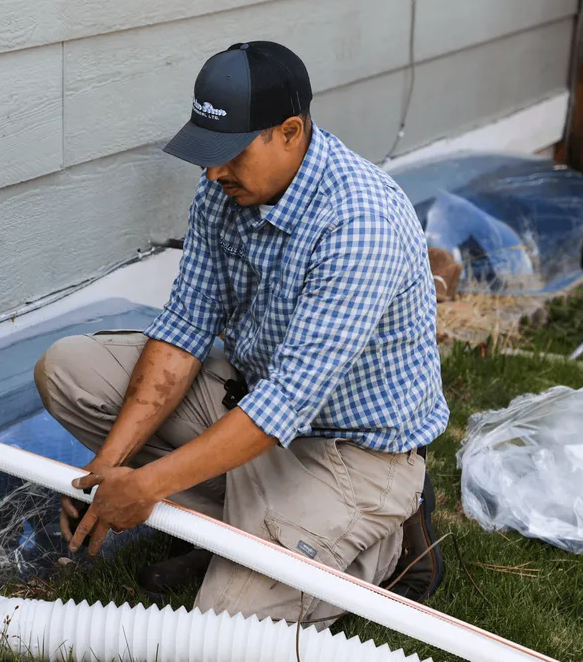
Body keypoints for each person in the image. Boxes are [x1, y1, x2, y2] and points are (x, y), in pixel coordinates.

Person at [34, 41, 448, 625]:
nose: (211, 171)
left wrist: (147, 485)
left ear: (290, 131)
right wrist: (109, 468)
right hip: (252, 403)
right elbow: (184, 326)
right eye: (206, 153)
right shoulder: (226, 190)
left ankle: (382, 547)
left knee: (225, 627)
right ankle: (239, 524)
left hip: (348, 451)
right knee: (68, 371)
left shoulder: (360, 225)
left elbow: (288, 400)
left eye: (229, 153)